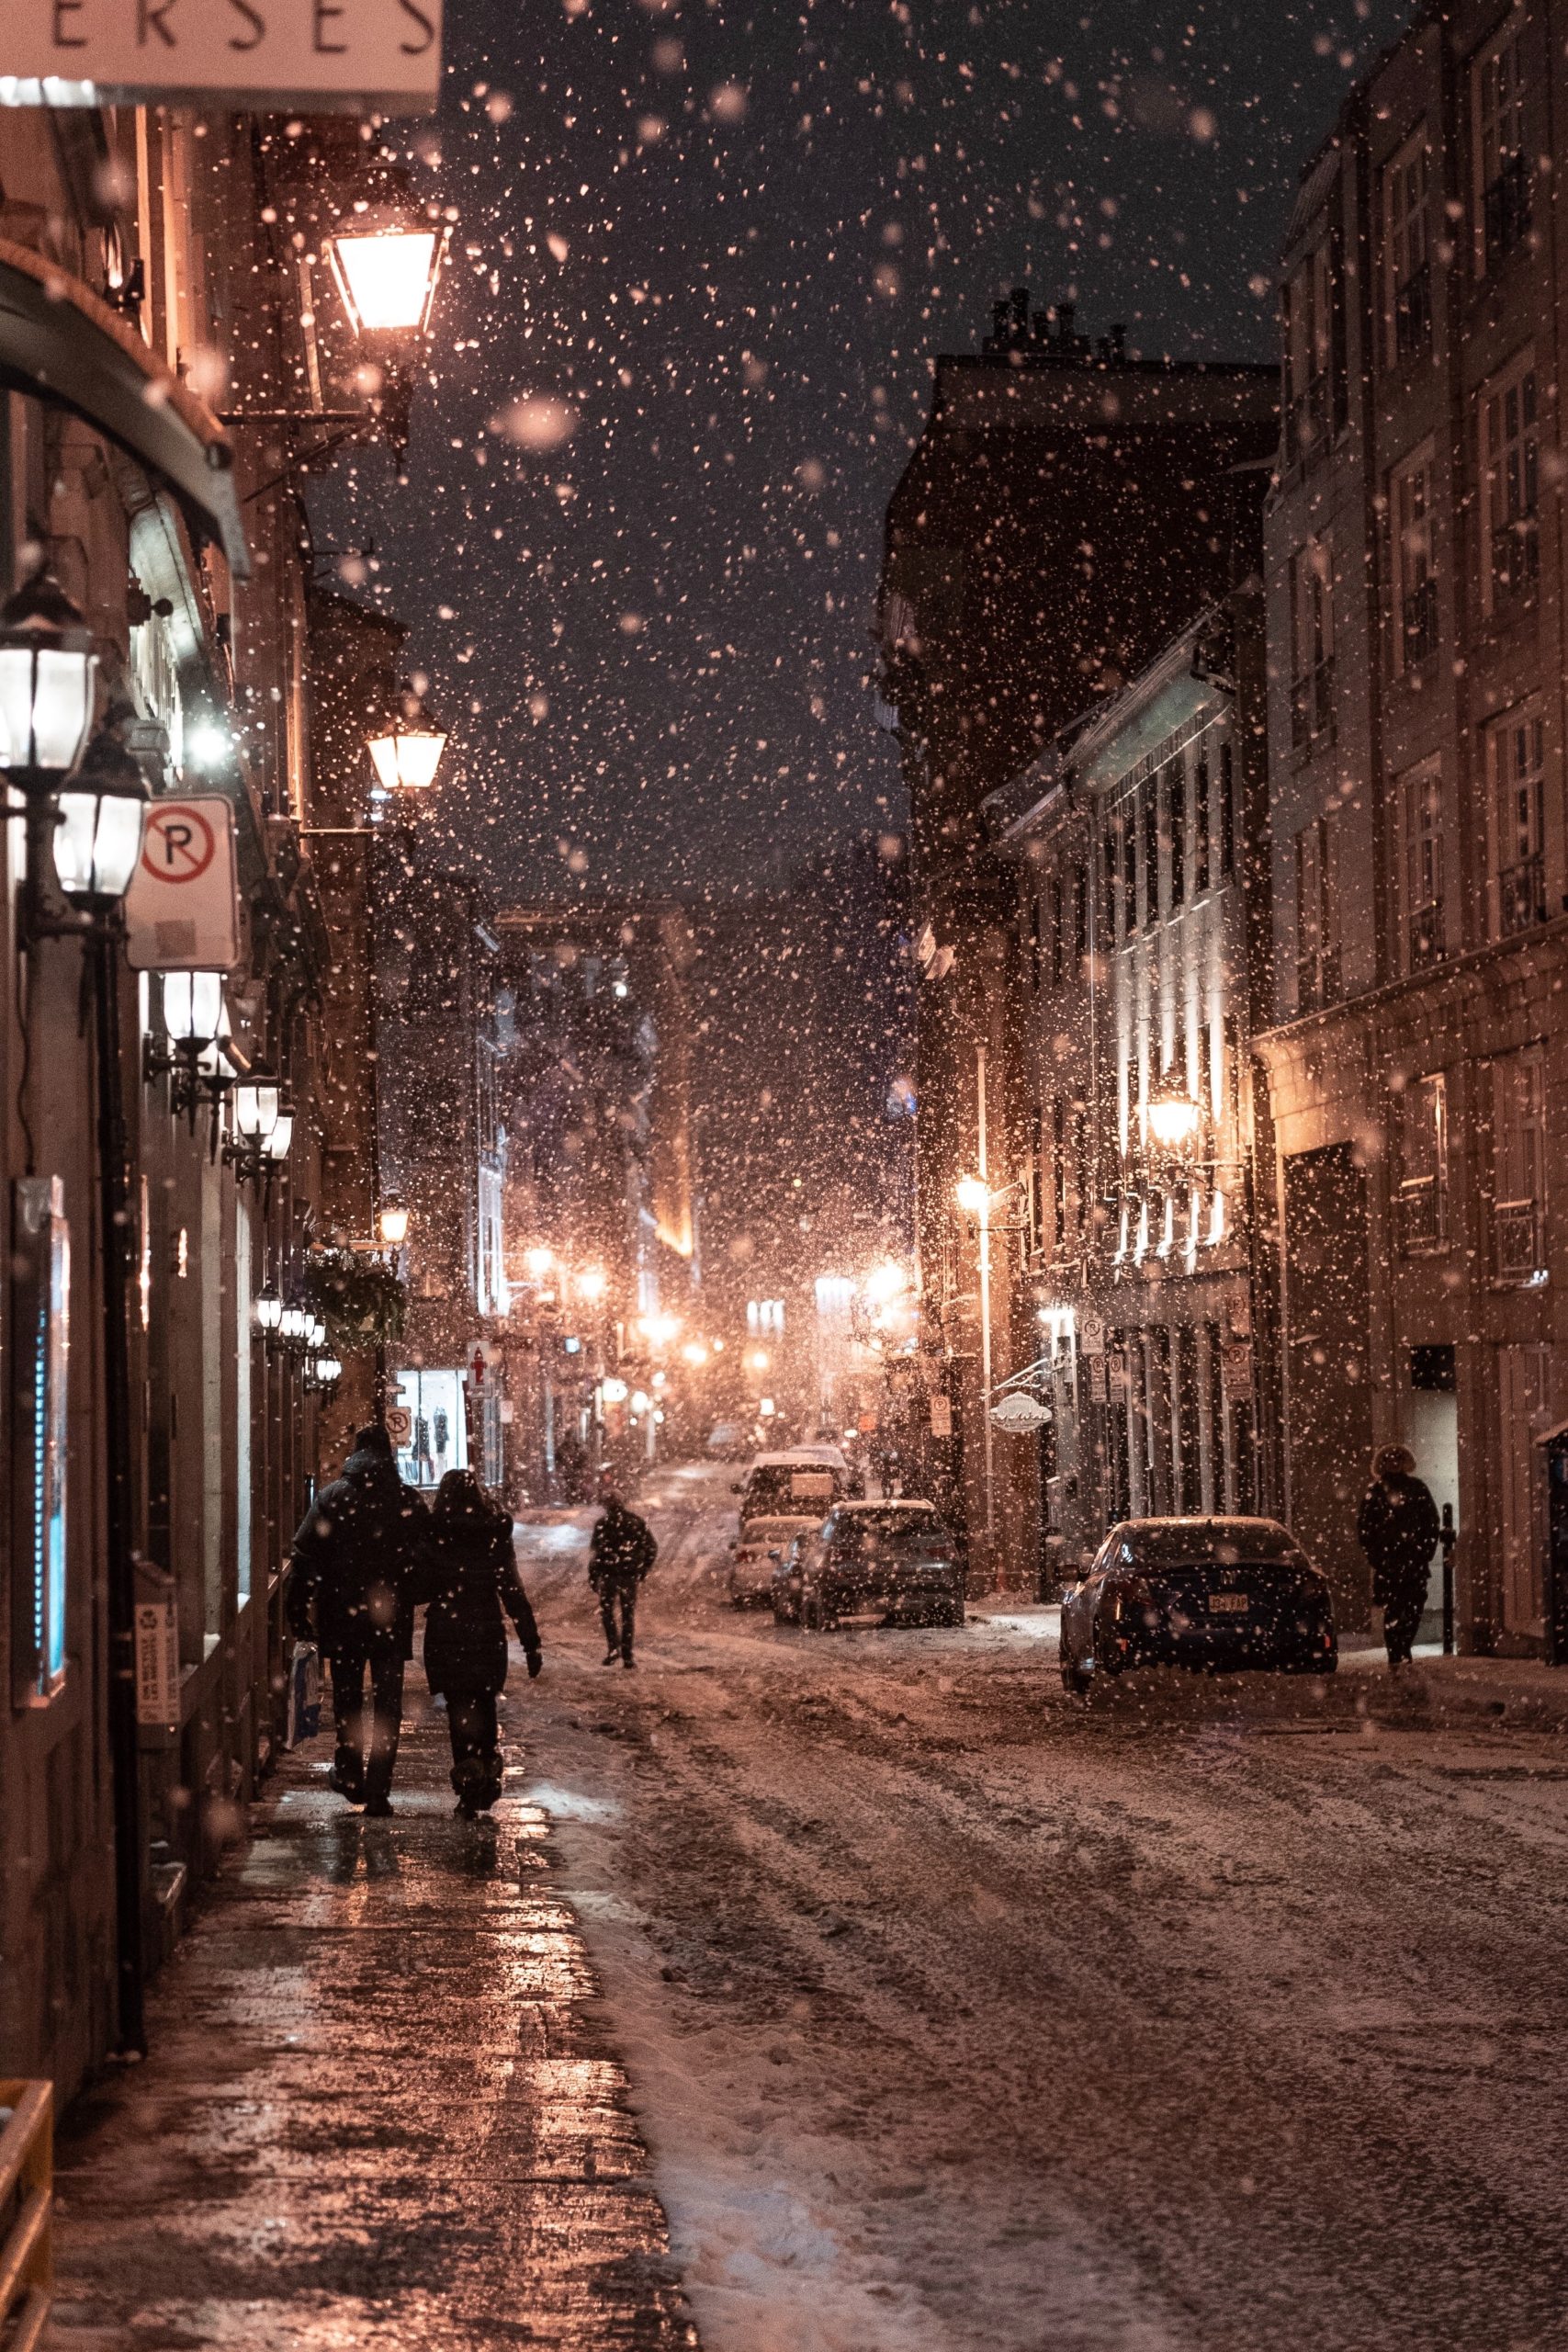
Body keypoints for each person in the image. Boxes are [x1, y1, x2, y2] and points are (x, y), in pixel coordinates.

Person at [288, 1423, 429, 1815]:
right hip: (389, 1618)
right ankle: (380, 1788)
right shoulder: (407, 1499)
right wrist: (412, 1595)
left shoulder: (333, 1497)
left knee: (348, 1699)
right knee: (388, 1705)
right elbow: (426, 1558)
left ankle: (351, 1773)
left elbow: (304, 1554)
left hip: (342, 1616)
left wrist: (298, 1609)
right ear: (389, 1455)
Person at [419, 1469, 542, 1816]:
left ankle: (469, 1783)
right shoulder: (494, 1534)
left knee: (459, 1709)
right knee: (485, 1703)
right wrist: (531, 1642)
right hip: (486, 1631)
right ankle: (487, 1770)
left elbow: (420, 1585)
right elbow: (512, 1591)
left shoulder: (435, 1534)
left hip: (447, 1632)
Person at [1357, 1443, 1440, 1669]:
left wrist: (1424, 1552)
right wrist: (1378, 1558)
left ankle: (1402, 1649)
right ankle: (1397, 1653)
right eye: (1389, 1459)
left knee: (1413, 1609)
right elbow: (1366, 1529)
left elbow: (1431, 1523)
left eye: (1398, 1459)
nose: (1394, 1463)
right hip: (1390, 1564)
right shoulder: (1375, 1492)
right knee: (1395, 1610)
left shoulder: (1417, 1489)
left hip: (1411, 1562)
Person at [589, 1490, 656, 1668]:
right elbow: (651, 1547)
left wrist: (594, 1575)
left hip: (610, 1574)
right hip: (628, 1574)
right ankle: (627, 1654)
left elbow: (597, 1553)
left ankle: (614, 1648)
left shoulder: (602, 1524)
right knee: (627, 1615)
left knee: (608, 1612)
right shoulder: (635, 1522)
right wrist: (643, 1568)